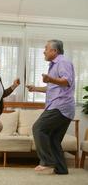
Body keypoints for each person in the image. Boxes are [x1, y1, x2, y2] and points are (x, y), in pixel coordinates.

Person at [26, 40, 75, 174]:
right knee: (53, 139)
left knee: (38, 128)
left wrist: (50, 79)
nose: (44, 51)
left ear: (54, 51)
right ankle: (61, 169)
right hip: (65, 108)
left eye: (46, 48)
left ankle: (47, 161)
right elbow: (53, 87)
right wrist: (35, 88)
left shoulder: (62, 62)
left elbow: (66, 81)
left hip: (60, 106)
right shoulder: (55, 65)